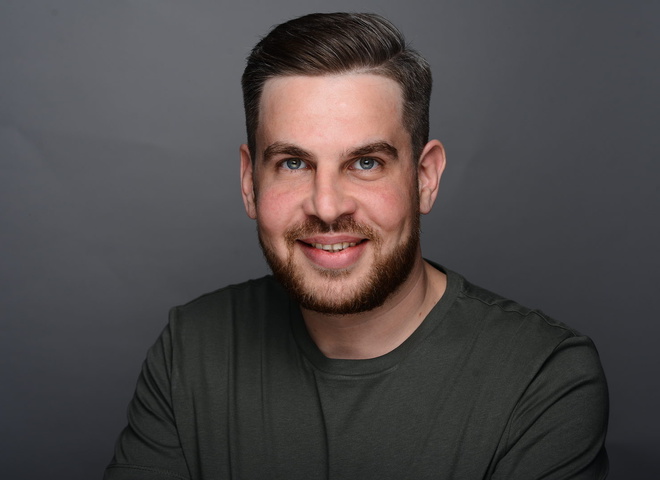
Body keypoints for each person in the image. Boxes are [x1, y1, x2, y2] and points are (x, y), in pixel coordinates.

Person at [104, 12, 608, 480]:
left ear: (425, 178)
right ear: (248, 182)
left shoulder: (542, 376)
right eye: (293, 164)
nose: (327, 207)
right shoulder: (190, 350)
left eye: (366, 163)